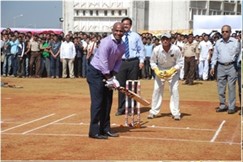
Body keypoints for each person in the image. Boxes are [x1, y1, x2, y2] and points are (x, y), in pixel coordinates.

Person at [86, 22, 125, 139]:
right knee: (98, 102)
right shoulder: (106, 42)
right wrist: (110, 78)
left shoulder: (122, 45)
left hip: (108, 73)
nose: (118, 33)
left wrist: (114, 74)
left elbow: (119, 61)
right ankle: (94, 131)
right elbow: (103, 61)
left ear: (124, 32)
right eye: (116, 30)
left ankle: (105, 129)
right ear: (112, 30)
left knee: (107, 102)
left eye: (121, 31)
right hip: (96, 72)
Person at [147, 32, 183, 120]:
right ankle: (153, 111)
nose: (165, 41)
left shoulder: (176, 49)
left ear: (170, 40)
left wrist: (173, 70)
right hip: (160, 70)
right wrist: (156, 70)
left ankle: (176, 113)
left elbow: (180, 62)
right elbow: (152, 62)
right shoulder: (156, 49)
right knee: (157, 90)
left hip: (172, 71)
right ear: (161, 40)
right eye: (163, 39)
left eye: (167, 39)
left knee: (174, 90)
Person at [115, 17, 145, 116]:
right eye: (124, 24)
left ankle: (131, 107)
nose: (125, 26)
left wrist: (141, 61)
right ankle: (121, 108)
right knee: (121, 86)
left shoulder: (136, 36)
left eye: (127, 24)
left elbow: (141, 49)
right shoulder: (118, 36)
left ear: (130, 25)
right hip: (121, 62)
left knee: (133, 86)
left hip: (133, 62)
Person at [210, 25, 241, 114]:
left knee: (231, 87)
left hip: (232, 66)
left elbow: (238, 54)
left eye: (226, 31)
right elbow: (215, 55)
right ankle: (223, 105)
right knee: (220, 87)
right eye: (223, 31)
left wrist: (237, 64)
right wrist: (213, 66)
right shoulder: (218, 43)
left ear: (230, 32)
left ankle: (231, 107)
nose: (224, 33)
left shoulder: (235, 42)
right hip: (220, 67)